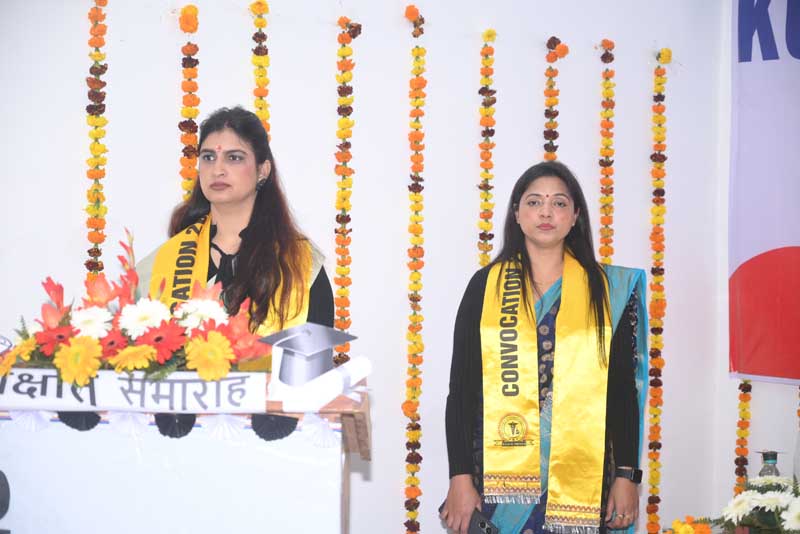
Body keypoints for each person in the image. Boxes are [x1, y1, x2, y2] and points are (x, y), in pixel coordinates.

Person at [442, 161, 647, 534]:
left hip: (581, 476)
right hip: (496, 476)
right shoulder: (486, 287)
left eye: (559, 203)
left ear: (575, 216)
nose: (546, 212)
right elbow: (462, 391)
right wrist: (460, 477)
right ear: (517, 214)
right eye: (534, 202)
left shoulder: (605, 290)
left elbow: (620, 393)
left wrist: (626, 475)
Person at [137, 106, 333, 367]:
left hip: (274, 395)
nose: (217, 169)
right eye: (208, 157)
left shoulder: (301, 265)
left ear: (263, 170)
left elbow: (316, 371)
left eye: (234, 158)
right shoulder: (164, 262)